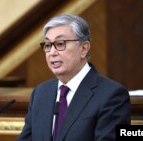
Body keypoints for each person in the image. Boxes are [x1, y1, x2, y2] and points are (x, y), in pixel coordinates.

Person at [17, 13, 131, 141]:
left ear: (84, 48)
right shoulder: (40, 93)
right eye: (48, 45)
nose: (52, 52)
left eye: (60, 44)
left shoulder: (111, 95)